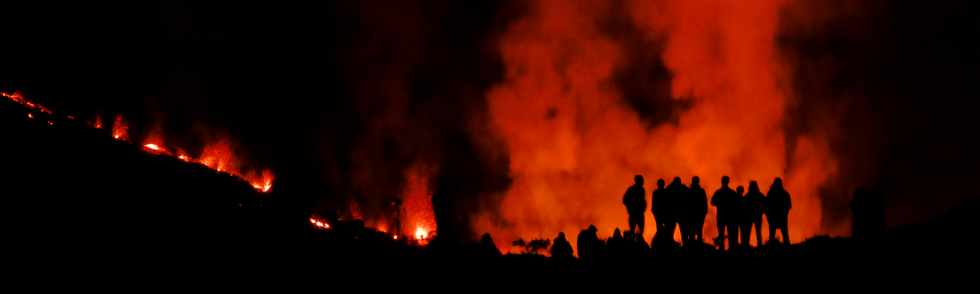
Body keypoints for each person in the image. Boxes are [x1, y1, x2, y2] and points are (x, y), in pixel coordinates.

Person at [711, 176, 739, 250]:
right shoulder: (732, 192)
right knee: (730, 234)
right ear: (728, 182)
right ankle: (731, 249)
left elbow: (712, 202)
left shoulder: (718, 192)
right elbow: (736, 204)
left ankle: (721, 249)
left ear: (722, 181)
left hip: (721, 216)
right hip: (730, 216)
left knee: (721, 233)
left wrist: (719, 203)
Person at [765, 177, 792, 245]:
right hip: (780, 216)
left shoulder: (770, 193)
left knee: (774, 233)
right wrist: (785, 212)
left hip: (776, 216)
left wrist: (768, 215)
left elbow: (766, 206)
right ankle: (786, 246)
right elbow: (789, 205)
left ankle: (772, 246)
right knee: (784, 233)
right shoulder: (784, 193)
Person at [622, 175, 647, 241]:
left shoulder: (642, 189)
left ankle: (638, 244)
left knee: (641, 232)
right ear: (638, 181)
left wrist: (643, 207)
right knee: (632, 231)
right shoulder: (631, 189)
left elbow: (643, 200)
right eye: (641, 180)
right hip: (633, 214)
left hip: (640, 213)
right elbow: (624, 200)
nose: (642, 182)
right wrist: (630, 208)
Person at [666, 177, 689, 244]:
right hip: (678, 214)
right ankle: (685, 245)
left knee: (671, 232)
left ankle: (670, 244)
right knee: (683, 232)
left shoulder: (670, 188)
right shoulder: (682, 188)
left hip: (674, 214)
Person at [745, 181, 766, 247]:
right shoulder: (760, 195)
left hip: (749, 216)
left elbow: (744, 206)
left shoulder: (748, 196)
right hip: (757, 216)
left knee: (748, 232)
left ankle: (747, 245)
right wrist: (762, 212)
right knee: (758, 231)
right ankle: (759, 245)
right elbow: (765, 204)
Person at [688, 176, 708, 243]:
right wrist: (704, 212)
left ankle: (692, 244)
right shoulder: (701, 191)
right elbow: (705, 203)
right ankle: (697, 243)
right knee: (698, 229)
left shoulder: (689, 191)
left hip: (694, 214)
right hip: (697, 214)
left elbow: (705, 203)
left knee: (692, 230)